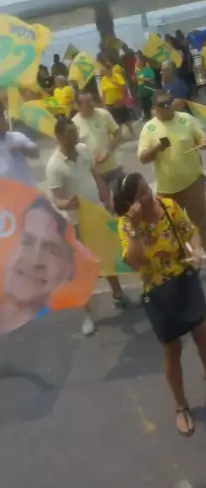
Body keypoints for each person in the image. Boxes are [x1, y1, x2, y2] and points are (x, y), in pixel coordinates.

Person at [115, 172, 206, 436]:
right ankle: (181, 405)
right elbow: (135, 262)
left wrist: (196, 250)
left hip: (184, 280)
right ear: (130, 204)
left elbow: (191, 232)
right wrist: (135, 229)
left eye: (147, 188)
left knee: (203, 334)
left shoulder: (167, 207)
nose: (149, 196)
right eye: (141, 194)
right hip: (158, 292)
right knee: (172, 349)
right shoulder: (126, 225)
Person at [46, 117, 127, 334]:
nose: (75, 135)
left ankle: (119, 295)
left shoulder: (83, 150)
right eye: (70, 132)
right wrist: (68, 203)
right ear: (59, 136)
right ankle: (88, 314)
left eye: (75, 131)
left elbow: (96, 176)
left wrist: (106, 199)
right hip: (78, 223)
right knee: (83, 268)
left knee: (107, 256)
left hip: (97, 215)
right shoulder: (54, 166)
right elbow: (56, 199)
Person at [137, 91, 206, 275]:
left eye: (169, 101)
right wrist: (158, 147)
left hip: (192, 181)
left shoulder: (186, 119)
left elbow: (202, 138)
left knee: (200, 223)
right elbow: (143, 158)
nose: (168, 106)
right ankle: (187, 262)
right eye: (163, 104)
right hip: (167, 189)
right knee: (173, 229)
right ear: (155, 108)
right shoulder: (149, 128)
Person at [0, 196, 75, 334]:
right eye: (26, 242)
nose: (34, 260)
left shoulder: (55, 336)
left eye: (52, 250)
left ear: (68, 271)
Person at [73, 91, 124, 194]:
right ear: (78, 105)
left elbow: (117, 133)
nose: (91, 104)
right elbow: (73, 150)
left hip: (112, 167)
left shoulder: (103, 114)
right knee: (103, 201)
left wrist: (108, 151)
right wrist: (90, 160)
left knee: (122, 196)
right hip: (92, 173)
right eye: (87, 102)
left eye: (92, 100)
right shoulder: (74, 124)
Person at [0, 103, 39, 186]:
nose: (2, 120)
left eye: (2, 116)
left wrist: (22, 149)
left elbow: (35, 153)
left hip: (26, 189)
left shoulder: (16, 137)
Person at [99, 59, 136, 139]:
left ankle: (133, 133)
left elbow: (123, 88)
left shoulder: (116, 76)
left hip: (119, 102)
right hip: (109, 103)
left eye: (105, 70)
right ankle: (119, 136)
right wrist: (103, 103)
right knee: (114, 121)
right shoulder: (104, 80)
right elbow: (103, 92)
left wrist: (122, 100)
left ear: (109, 69)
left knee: (126, 119)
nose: (104, 72)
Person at [135, 52, 156, 120]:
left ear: (142, 61)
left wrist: (144, 79)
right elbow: (138, 82)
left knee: (152, 112)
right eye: (136, 60)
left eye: (138, 60)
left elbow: (153, 81)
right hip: (142, 94)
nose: (137, 62)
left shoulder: (148, 69)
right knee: (146, 111)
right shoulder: (137, 71)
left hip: (149, 94)